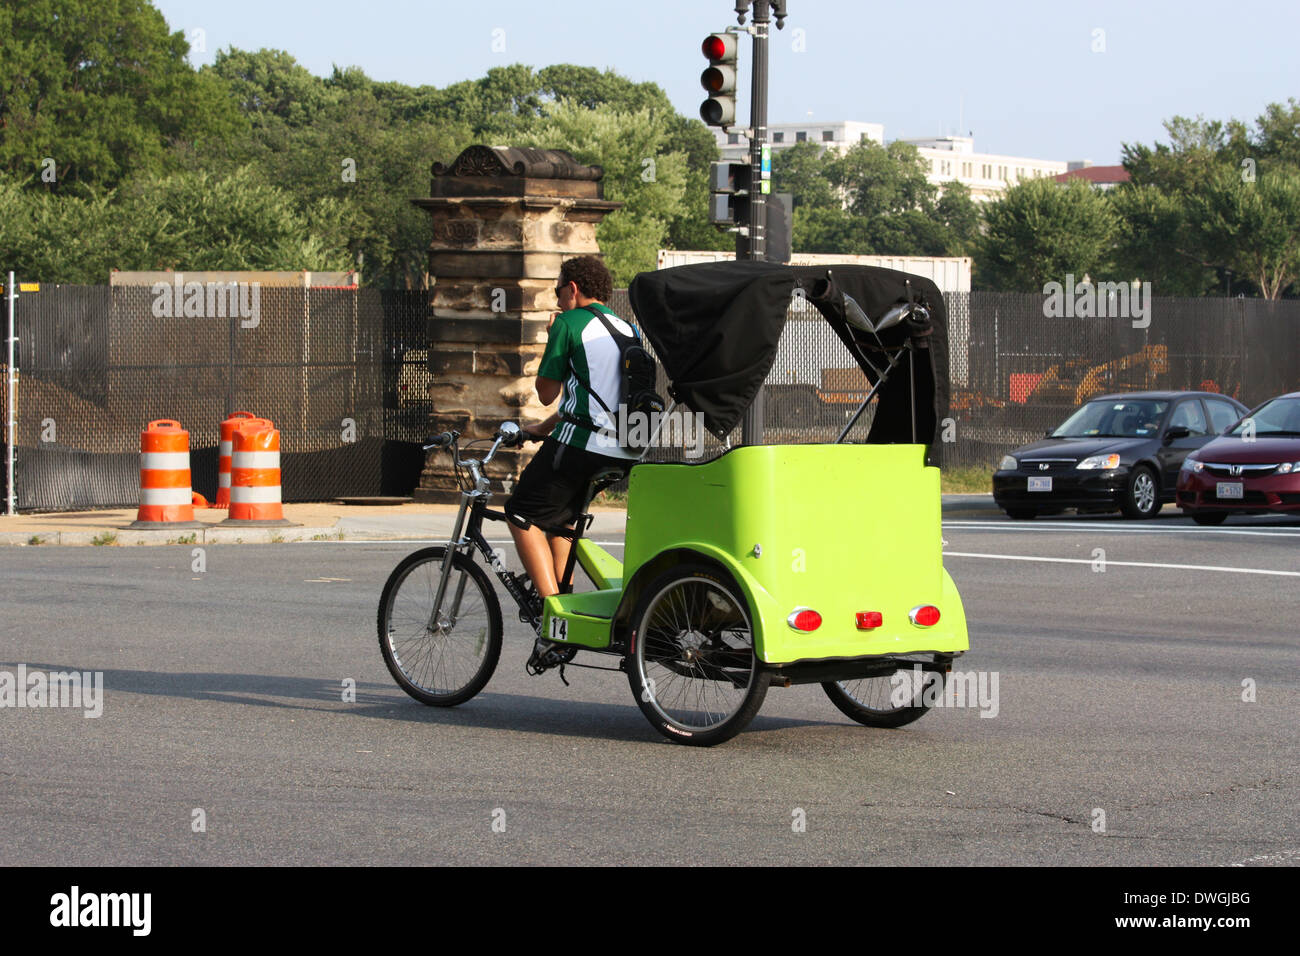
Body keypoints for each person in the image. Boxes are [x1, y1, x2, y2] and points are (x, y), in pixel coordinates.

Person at [504, 256, 637, 666]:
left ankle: (551, 617)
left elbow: (547, 392)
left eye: (558, 289)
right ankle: (564, 608)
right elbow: (588, 400)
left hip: (581, 446)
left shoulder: (568, 323)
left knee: (521, 513)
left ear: (573, 288)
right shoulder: (625, 328)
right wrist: (536, 432)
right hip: (623, 450)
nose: (557, 298)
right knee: (561, 518)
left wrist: (552, 336)